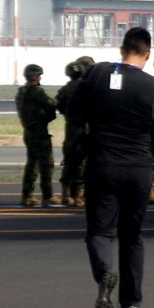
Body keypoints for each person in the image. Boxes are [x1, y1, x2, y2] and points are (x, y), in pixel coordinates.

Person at [65, 28, 154, 308]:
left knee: (100, 231)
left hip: (103, 163)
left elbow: (73, 111)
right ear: (147, 55)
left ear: (121, 48)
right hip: (138, 167)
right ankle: (131, 304)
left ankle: (104, 273)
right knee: (132, 237)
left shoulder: (98, 74)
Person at [14, 64, 57, 207]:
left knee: (32, 164)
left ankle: (27, 195)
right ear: (34, 77)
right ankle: (48, 196)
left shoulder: (21, 91)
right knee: (46, 164)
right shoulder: (36, 92)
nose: (40, 78)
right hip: (39, 132)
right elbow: (51, 103)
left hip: (29, 131)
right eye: (39, 75)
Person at [56, 56, 96, 207]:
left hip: (70, 129)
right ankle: (79, 196)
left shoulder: (65, 89)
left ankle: (66, 194)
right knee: (82, 163)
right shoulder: (86, 88)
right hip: (84, 130)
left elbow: (58, 104)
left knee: (69, 161)